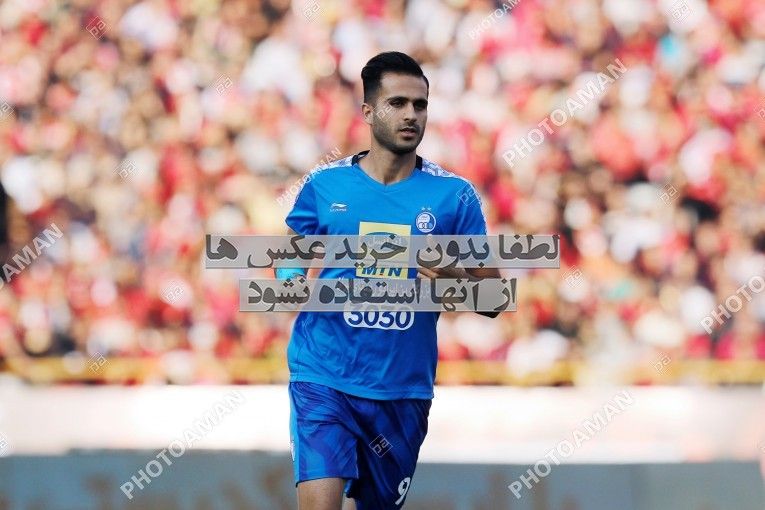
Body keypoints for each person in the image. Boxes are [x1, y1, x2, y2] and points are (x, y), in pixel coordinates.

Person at [277, 51, 501, 510]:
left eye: (420, 105)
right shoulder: (325, 185)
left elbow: (495, 297)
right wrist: (291, 278)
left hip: (401, 390)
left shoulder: (454, 197)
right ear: (368, 111)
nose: (411, 115)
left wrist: (454, 278)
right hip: (324, 374)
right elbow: (291, 253)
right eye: (397, 103)